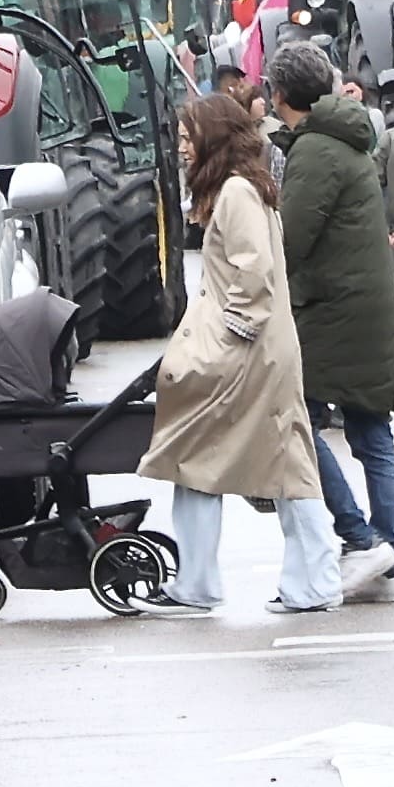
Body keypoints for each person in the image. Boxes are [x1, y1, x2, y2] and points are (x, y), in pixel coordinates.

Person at [139, 91, 340, 614]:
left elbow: (254, 271)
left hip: (248, 351)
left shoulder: (234, 193)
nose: (182, 147)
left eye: (188, 137)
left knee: (198, 458)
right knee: (283, 464)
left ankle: (203, 583)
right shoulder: (245, 189)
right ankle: (311, 580)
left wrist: (229, 334)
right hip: (264, 351)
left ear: (213, 138)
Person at [268, 43, 394, 593]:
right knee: (371, 428)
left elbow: (291, 239)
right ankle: (387, 552)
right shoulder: (343, 136)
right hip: (365, 306)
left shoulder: (315, 150)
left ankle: (363, 539)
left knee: (295, 421)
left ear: (279, 94)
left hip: (332, 310)